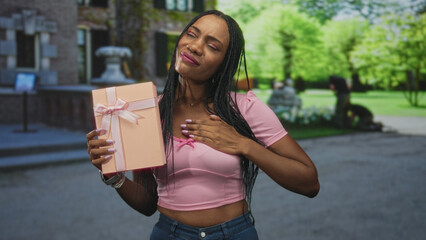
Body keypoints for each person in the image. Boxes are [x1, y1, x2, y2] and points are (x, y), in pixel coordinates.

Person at [87, 10, 319, 240]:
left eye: (213, 46)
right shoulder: (146, 113)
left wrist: (243, 144)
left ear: (224, 64)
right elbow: (148, 203)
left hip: (233, 233)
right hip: (169, 233)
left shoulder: (245, 108)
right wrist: (113, 175)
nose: (195, 46)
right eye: (191, 34)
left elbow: (310, 183)